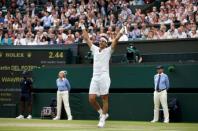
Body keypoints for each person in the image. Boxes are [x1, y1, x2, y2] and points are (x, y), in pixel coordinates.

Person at [80, 20, 125, 128]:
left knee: (105, 98)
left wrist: (121, 31)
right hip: (95, 77)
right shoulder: (94, 49)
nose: (101, 42)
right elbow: (86, 38)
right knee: (91, 99)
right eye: (100, 41)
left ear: (106, 43)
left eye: (103, 41)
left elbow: (116, 40)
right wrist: (82, 26)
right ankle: (102, 113)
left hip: (104, 76)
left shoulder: (109, 50)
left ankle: (102, 119)